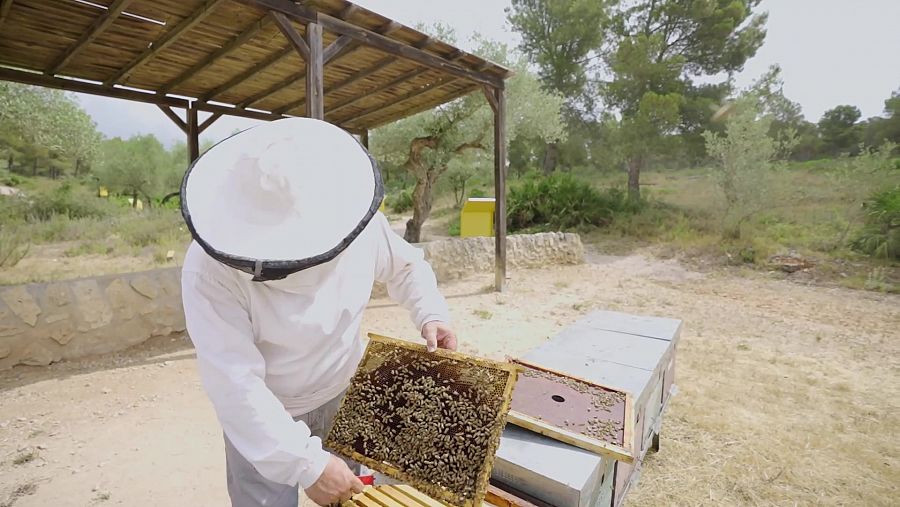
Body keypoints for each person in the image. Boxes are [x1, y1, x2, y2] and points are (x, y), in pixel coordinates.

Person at [179, 118, 456, 506]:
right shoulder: (209, 270)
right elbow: (234, 384)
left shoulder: (360, 227)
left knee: (358, 499)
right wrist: (306, 465)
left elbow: (407, 266)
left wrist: (431, 314)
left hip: (343, 391)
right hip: (264, 415)